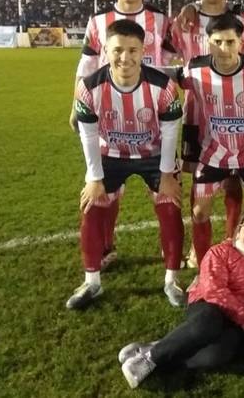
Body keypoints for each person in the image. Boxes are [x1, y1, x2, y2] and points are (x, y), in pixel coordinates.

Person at [67, 19, 184, 310]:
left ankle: (172, 281)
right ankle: (92, 282)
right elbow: (88, 135)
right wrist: (94, 179)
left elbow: (171, 132)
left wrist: (166, 175)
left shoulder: (164, 87)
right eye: (117, 50)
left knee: (170, 206)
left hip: (154, 154)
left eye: (132, 50)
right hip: (110, 153)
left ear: (143, 51)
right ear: (105, 50)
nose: (125, 57)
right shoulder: (88, 88)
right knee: (91, 206)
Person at [69, 0, 177, 271]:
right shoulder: (98, 21)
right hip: (110, 114)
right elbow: (86, 67)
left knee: (163, 192)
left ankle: (169, 251)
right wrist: (75, 106)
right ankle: (105, 245)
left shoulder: (161, 20)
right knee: (107, 189)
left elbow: (174, 57)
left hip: (153, 115)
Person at [119, 208, 244, 388]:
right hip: (209, 306)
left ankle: (157, 348)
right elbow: (214, 290)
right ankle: (149, 359)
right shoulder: (219, 252)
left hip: (237, 323)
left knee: (217, 355)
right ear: (238, 229)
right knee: (208, 323)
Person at [178, 13, 244, 265]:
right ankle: (204, 267)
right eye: (217, 42)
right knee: (199, 211)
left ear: (241, 42)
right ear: (208, 42)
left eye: (230, 42)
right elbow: (165, 75)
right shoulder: (195, 69)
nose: (223, 48)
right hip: (213, 152)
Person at [170, 0, 244, 261]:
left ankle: (231, 239)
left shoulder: (240, 21)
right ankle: (197, 245)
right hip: (195, 112)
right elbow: (165, 54)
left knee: (233, 179)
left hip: (234, 112)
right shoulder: (184, 21)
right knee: (198, 178)